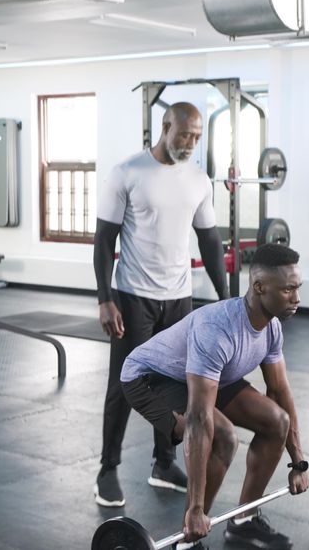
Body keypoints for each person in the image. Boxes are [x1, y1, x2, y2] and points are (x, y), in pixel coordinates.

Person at [121, 243, 308, 550]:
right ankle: (188, 537)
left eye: (298, 288)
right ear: (259, 287)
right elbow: (198, 418)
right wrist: (195, 508)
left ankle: (244, 522)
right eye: (288, 290)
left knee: (277, 421)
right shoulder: (217, 330)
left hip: (209, 376)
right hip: (151, 378)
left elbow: (279, 391)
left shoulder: (272, 328)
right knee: (222, 436)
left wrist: (298, 462)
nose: (297, 298)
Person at [94, 102, 230, 507]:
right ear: (165, 127)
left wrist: (226, 301)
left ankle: (164, 462)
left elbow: (209, 239)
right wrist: (106, 299)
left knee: (176, 383)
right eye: (184, 135)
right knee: (125, 381)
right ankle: (107, 469)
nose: (190, 143)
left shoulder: (198, 180)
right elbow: (104, 240)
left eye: (197, 137)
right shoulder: (128, 173)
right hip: (134, 297)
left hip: (179, 299)